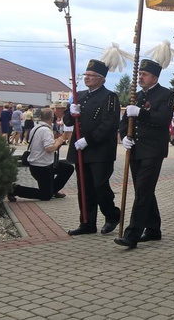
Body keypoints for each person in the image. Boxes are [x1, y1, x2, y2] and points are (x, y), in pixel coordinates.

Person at [115, 59, 174, 249]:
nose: (140, 77)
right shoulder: (137, 96)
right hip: (136, 150)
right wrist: (124, 136)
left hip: (153, 150)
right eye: (139, 73)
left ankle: (132, 234)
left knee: (142, 191)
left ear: (155, 77)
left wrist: (141, 113)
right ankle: (154, 228)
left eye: (144, 74)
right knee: (145, 190)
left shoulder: (166, 94)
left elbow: (163, 119)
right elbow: (125, 122)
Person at [62, 59, 122, 236]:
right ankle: (87, 222)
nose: (86, 78)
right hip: (81, 150)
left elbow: (109, 124)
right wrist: (70, 113)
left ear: (102, 78)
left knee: (100, 186)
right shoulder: (79, 95)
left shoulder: (109, 97)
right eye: (85, 75)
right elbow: (66, 121)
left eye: (91, 75)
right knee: (84, 188)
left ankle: (112, 215)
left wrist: (89, 139)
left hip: (100, 151)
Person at [8, 108, 74, 202]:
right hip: (41, 166)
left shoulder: (36, 127)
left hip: (43, 163)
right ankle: (15, 189)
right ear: (52, 117)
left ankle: (53, 190)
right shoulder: (46, 131)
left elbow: (44, 145)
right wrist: (59, 141)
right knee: (45, 196)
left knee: (68, 168)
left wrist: (58, 141)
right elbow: (49, 149)